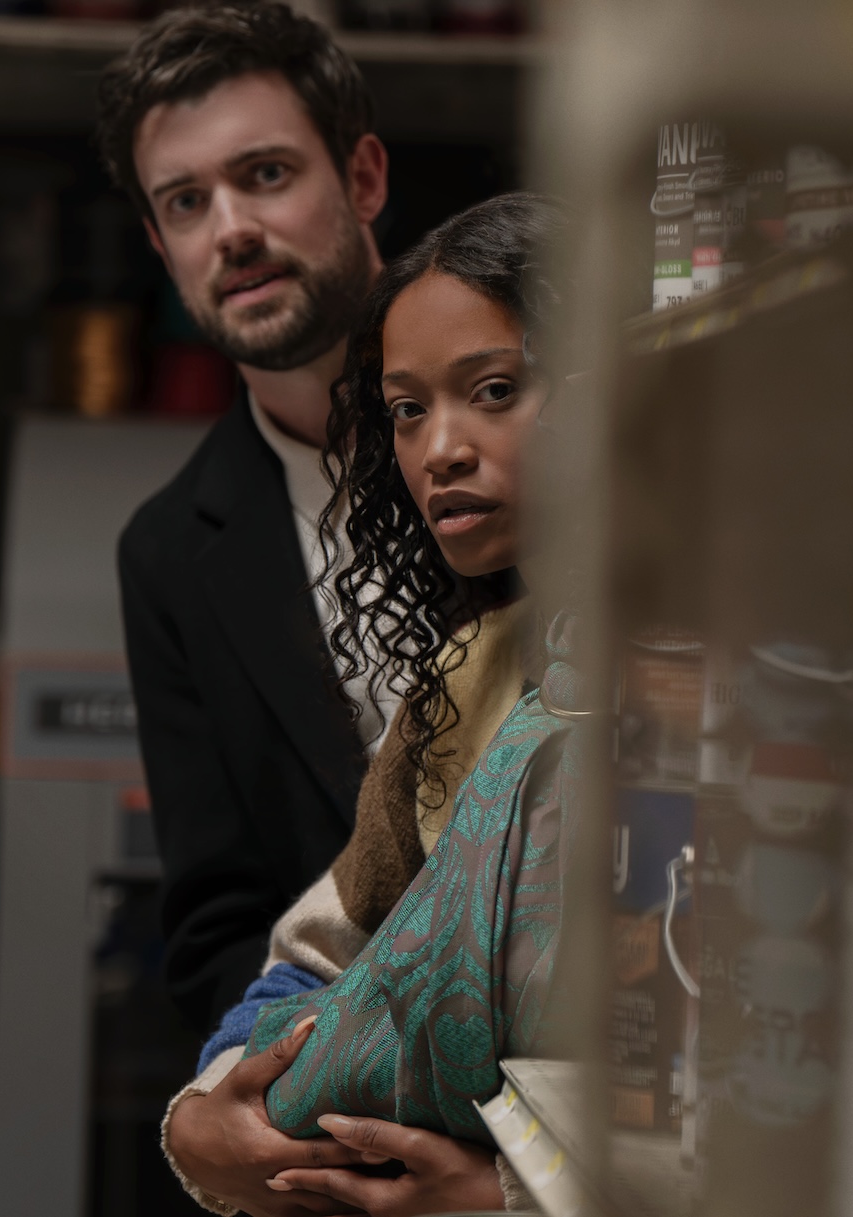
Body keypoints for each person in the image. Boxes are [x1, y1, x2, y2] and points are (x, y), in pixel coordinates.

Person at [162, 194, 576, 1217]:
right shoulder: (465, 683)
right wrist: (203, 1116)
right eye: (407, 408)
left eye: (493, 390)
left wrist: (510, 1199)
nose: (441, 449)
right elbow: (315, 963)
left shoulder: (736, 686)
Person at [102, 3, 400, 1039]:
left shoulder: (535, 426)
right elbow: (219, 920)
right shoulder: (169, 552)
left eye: (265, 173)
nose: (229, 227)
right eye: (186, 201)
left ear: (362, 179)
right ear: (160, 243)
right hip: (353, 1106)